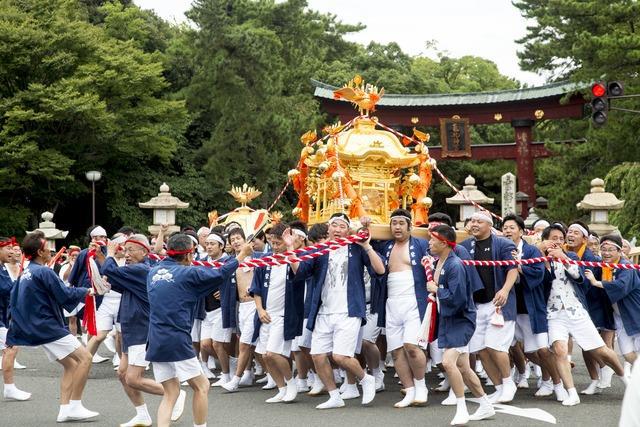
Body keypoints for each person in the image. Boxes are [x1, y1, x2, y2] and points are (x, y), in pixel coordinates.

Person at [146, 233, 250, 427]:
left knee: (170, 393)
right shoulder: (188, 273)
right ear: (189, 255)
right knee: (202, 386)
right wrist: (241, 255)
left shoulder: (153, 272)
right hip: (176, 337)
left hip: (155, 338)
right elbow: (220, 274)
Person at [292, 212, 385, 409]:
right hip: (324, 312)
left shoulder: (356, 248)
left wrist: (367, 245)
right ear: (328, 228)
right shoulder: (320, 250)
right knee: (317, 355)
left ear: (348, 230)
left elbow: (380, 270)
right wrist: (291, 247)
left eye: (342, 226)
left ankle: (365, 378)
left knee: (341, 356)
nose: (337, 230)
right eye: (334, 225)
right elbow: (299, 272)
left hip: (349, 311)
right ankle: (335, 395)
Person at [7, 232, 100, 422]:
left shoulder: (26, 272)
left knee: (71, 364)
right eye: (47, 246)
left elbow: (14, 302)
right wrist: (87, 290)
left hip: (36, 326)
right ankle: (75, 405)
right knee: (85, 358)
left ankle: (65, 410)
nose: (50, 249)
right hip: (46, 326)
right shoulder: (44, 271)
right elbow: (64, 295)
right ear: (41, 251)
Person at [95, 234, 185, 426]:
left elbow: (110, 270)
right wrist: (103, 259)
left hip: (141, 330)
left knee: (133, 378)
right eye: (124, 250)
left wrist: (109, 253)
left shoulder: (142, 269)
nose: (126, 254)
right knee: (122, 374)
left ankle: (175, 393)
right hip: (130, 328)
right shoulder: (134, 270)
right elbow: (112, 278)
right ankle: (142, 414)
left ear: (144, 252)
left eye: (130, 250)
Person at [540, 224, 626, 406]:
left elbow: (578, 277)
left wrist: (562, 258)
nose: (556, 242)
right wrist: (544, 260)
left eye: (560, 239)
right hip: (554, 313)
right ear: (544, 240)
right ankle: (571, 392)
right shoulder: (538, 258)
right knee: (560, 350)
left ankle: (625, 377)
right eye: (552, 238)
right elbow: (541, 280)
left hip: (576, 309)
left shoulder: (570, 256)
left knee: (600, 349)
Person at [427, 225, 494, 425]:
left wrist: (436, 289)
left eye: (432, 239)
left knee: (448, 362)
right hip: (449, 319)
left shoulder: (455, 265)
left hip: (461, 319)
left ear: (443, 242)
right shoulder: (440, 261)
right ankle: (485, 405)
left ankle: (462, 408)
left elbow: (458, 298)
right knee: (464, 367)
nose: (429, 243)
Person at [501, 214, 567, 401]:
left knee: (542, 350)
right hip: (510, 307)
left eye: (512, 227)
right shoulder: (501, 249)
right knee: (527, 351)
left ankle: (557, 384)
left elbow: (538, 275)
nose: (507, 231)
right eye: (505, 228)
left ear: (521, 231)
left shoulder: (531, 251)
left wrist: (518, 265)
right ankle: (547, 379)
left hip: (530, 306)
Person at [460, 211, 519, 404]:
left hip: (499, 303)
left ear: (489, 225)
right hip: (477, 305)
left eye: (478, 221)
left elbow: (512, 269)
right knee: (480, 349)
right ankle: (498, 387)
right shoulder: (465, 245)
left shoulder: (502, 243)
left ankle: (509, 383)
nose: (474, 224)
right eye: (472, 221)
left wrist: (505, 290)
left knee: (496, 346)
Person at [373, 209, 429, 407]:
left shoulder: (421, 244)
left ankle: (421, 386)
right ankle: (409, 389)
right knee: (396, 350)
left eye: (401, 223)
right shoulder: (385, 245)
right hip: (392, 302)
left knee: (412, 347)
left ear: (409, 226)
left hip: (414, 300)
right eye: (393, 223)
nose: (397, 227)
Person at [248, 223, 301, 402]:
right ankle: (281, 388)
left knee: (273, 353)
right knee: (265, 355)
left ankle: (291, 383)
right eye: (273, 242)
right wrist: (260, 309)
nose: (275, 246)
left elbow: (300, 273)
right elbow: (255, 289)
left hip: (284, 315)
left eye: (279, 243)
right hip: (266, 314)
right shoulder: (265, 260)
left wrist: (290, 248)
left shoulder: (292, 258)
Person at [565, 221, 615, 393]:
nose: (570, 235)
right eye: (569, 231)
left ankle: (611, 369)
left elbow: (584, 284)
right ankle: (594, 379)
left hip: (593, 304)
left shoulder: (590, 258)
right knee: (585, 345)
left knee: (595, 344)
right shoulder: (563, 252)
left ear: (584, 238)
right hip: (573, 305)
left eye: (575, 233)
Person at [585, 234, 640, 366]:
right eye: (603, 249)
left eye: (610, 250)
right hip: (620, 316)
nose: (606, 253)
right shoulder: (602, 265)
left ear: (619, 251)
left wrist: (596, 282)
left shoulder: (626, 266)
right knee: (628, 354)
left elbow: (621, 286)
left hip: (635, 314)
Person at [0, 237, 30, 401]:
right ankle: (9, 388)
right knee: (11, 348)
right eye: (8, 248)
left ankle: (10, 388)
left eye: (13, 248)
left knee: (11, 348)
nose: (12, 251)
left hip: (3, 317)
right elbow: (7, 289)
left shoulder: (3, 268)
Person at [200, 232, 230, 381]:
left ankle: (226, 375)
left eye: (212, 244)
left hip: (221, 308)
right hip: (206, 308)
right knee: (205, 345)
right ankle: (231, 362)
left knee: (218, 344)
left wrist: (224, 290)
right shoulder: (203, 261)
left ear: (222, 246)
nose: (209, 246)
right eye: (207, 244)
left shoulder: (228, 261)